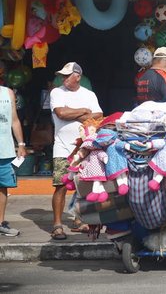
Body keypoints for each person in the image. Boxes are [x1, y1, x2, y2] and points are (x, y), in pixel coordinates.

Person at [49, 62, 103, 240]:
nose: (63, 79)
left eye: (67, 75)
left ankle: (79, 220)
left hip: (84, 148)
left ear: (78, 76)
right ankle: (57, 224)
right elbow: (61, 113)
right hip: (62, 146)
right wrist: (83, 111)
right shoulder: (56, 92)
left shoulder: (89, 94)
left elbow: (98, 116)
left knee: (83, 185)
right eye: (63, 76)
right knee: (61, 185)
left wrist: (75, 113)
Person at [0, 84, 27, 236]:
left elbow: (14, 120)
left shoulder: (8, 92)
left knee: (2, 187)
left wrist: (21, 144)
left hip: (5, 148)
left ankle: (0, 222)